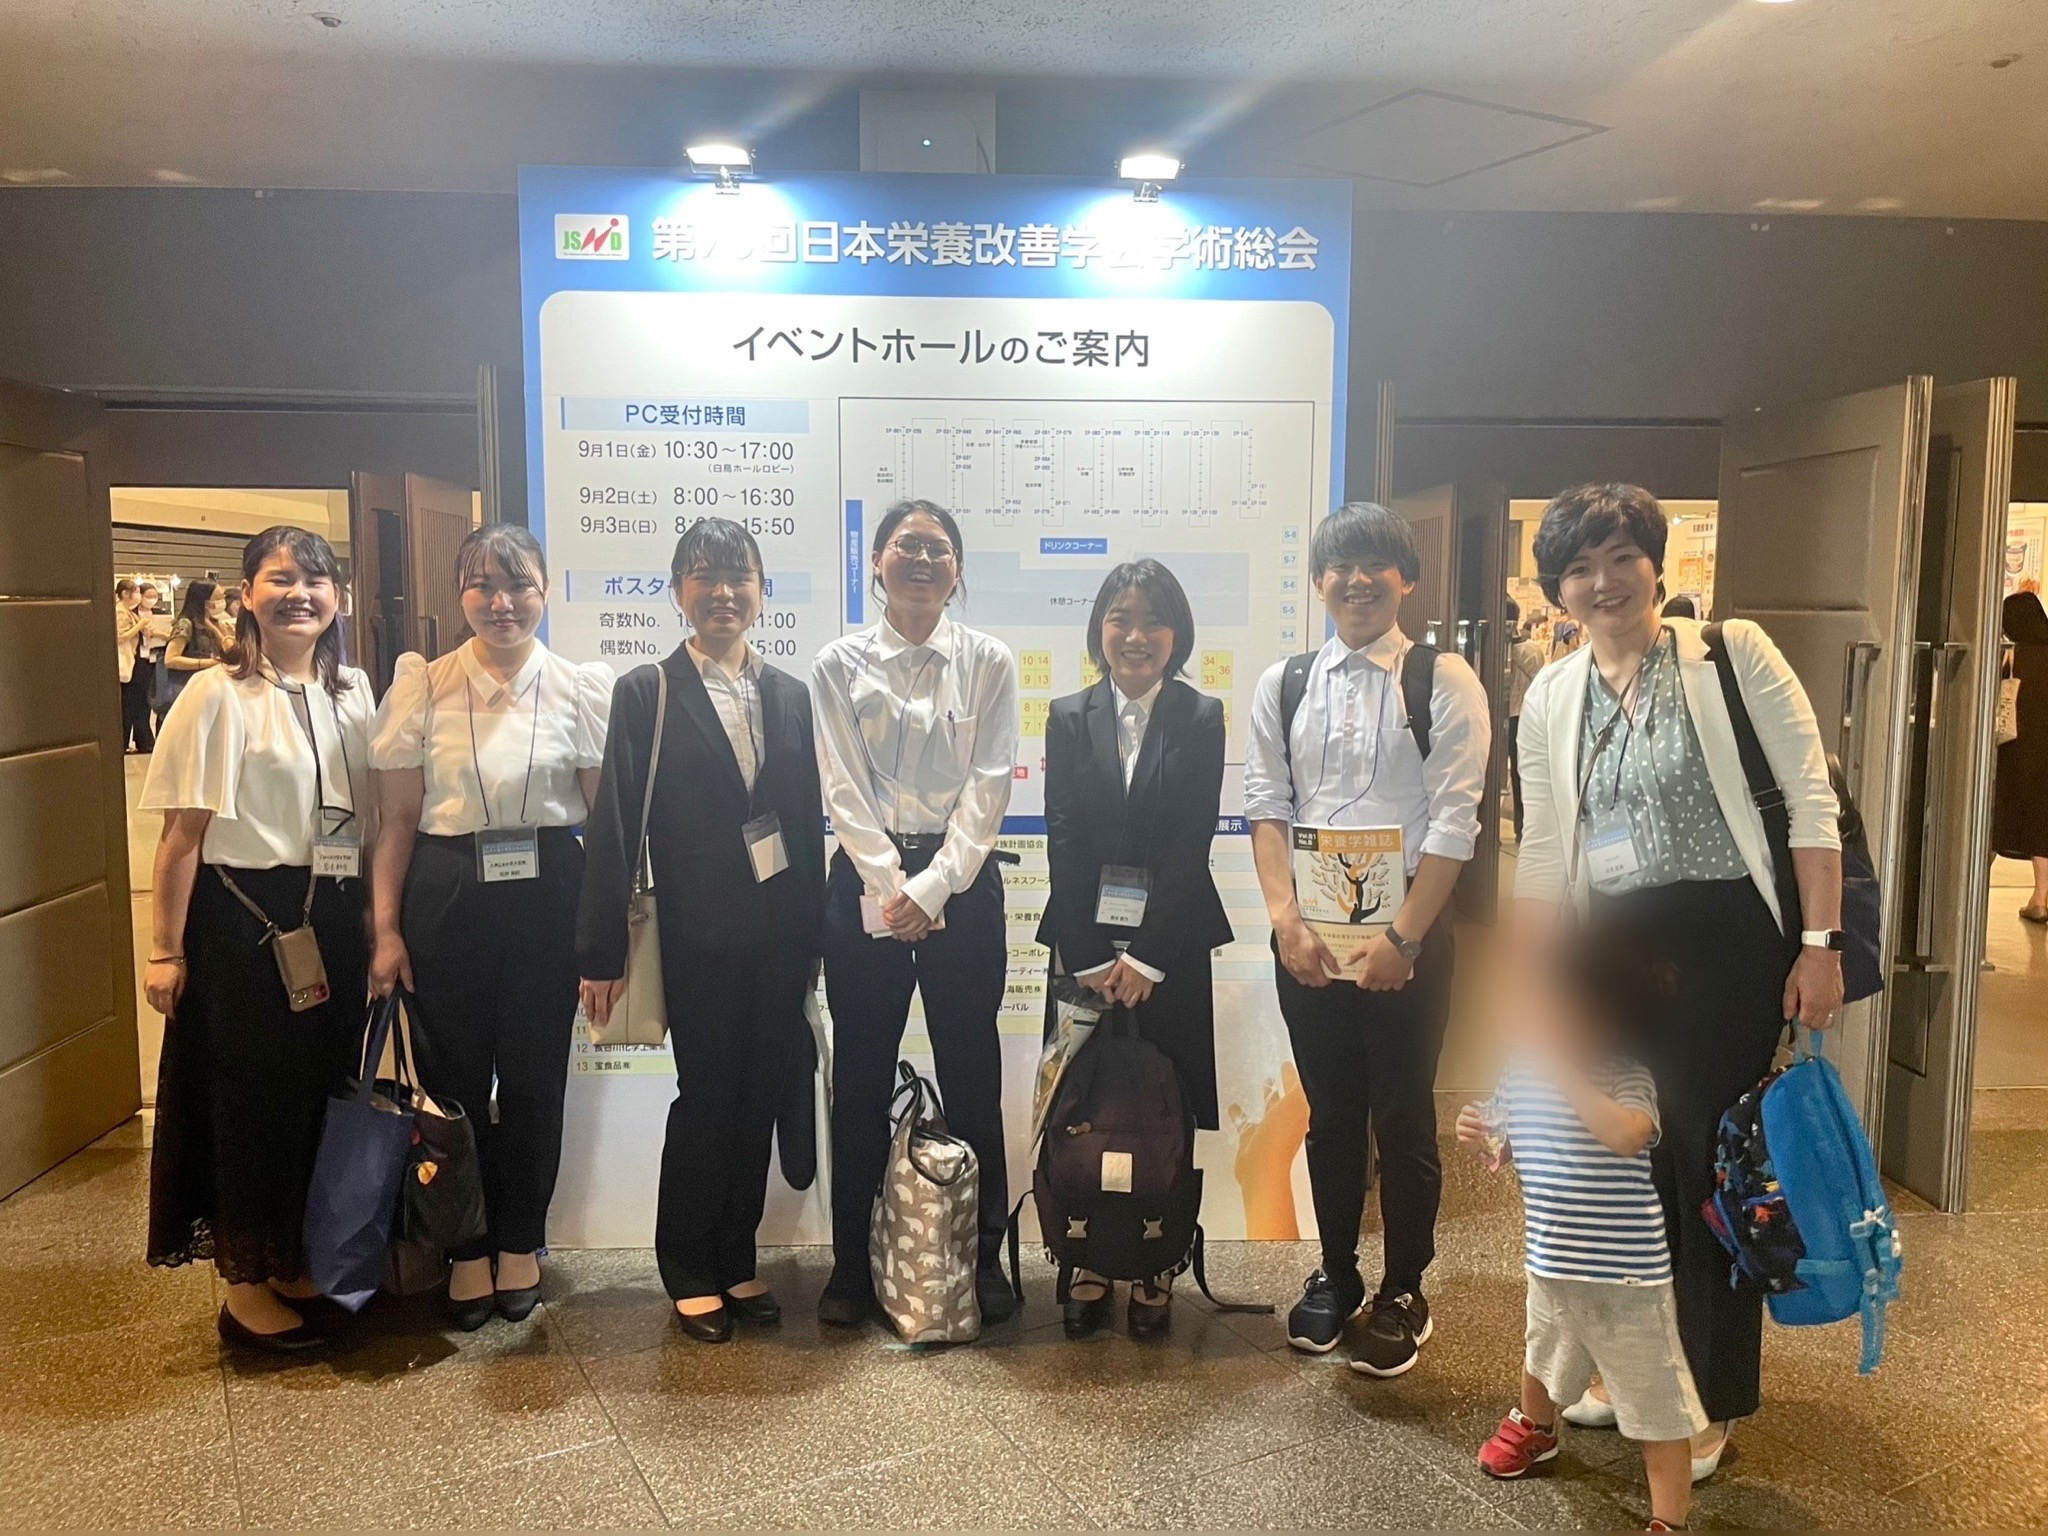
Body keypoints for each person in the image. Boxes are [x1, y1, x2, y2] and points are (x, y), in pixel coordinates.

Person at [1515, 482, 1843, 1481]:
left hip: (1724, 939)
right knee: (1623, 1167)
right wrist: (1535, 981)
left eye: (1622, 556)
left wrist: (1819, 944)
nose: (1603, 582)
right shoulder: (1551, 693)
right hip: (1611, 943)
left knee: (1707, 1167)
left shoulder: (1729, 655)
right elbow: (1543, 847)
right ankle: (1634, 1375)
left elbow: (1809, 802)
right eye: (1579, 567)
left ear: (1656, 564)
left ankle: (1707, 1395)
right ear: (1557, 589)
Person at [1244, 501, 1492, 1377]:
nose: (1356, 580)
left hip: (1407, 940)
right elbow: (1266, 806)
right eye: (1339, 565)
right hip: (1309, 944)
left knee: (1405, 1114)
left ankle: (1406, 1288)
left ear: (1405, 579)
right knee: (1332, 1115)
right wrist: (1285, 923)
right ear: (1319, 580)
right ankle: (1338, 1272)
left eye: (1375, 564)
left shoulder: (1441, 678)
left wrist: (1406, 939)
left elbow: (1455, 823)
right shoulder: (1284, 683)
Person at [578, 519, 825, 1343]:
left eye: (738, 576)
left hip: (780, 937)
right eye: (704, 575)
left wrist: (815, 942)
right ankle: (688, 1266)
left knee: (760, 1095)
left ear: (762, 591)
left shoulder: (790, 693)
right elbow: (615, 823)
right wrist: (601, 950)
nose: (723, 591)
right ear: (678, 590)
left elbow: (805, 821)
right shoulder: (647, 691)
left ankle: (735, 1256)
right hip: (696, 935)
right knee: (707, 1097)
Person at [368, 524, 612, 1330]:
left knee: (537, 1082)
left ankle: (519, 1244)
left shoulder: (579, 687)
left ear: (544, 591)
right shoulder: (423, 684)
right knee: (456, 1083)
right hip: (447, 895)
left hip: (550, 893)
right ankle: (466, 1247)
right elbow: (397, 822)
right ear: (460, 594)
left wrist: (607, 934)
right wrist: (386, 930)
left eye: (519, 585)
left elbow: (605, 823)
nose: (501, 602)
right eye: (483, 585)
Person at [140, 526, 376, 1352]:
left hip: (334, 914)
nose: (298, 594)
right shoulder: (216, 694)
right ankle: (244, 1288)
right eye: (279, 579)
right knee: (247, 1103)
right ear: (247, 595)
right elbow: (182, 835)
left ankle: (291, 1259)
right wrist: (164, 949)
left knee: (317, 1095)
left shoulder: (354, 690)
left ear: (337, 597)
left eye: (315, 580)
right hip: (246, 919)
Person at [812, 498, 1020, 1328]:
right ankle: (851, 1266)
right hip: (866, 885)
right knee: (860, 1076)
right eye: (907, 545)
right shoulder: (837, 663)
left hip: (960, 887)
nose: (923, 560)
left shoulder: (989, 661)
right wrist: (889, 886)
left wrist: (932, 889)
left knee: (973, 1074)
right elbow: (840, 784)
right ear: (876, 561)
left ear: (958, 568)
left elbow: (991, 783)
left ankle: (984, 1259)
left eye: (939, 548)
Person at [1040, 559, 1233, 1338]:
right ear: (1099, 629)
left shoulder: (1201, 715)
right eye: (1120, 617)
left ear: (1176, 634)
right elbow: (1061, 835)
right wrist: (1089, 954)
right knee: (1080, 1102)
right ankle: (1085, 1253)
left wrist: (1148, 956)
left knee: (1165, 1102)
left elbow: (1192, 841)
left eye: (1154, 619)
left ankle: (1158, 1259)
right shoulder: (1067, 714)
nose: (1136, 634)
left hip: (1171, 945)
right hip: (1081, 940)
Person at [1460, 919, 1705, 1532]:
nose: (1551, 1022)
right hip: (1550, 1260)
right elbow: (1506, 1142)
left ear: (1611, 1022)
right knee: (1543, 1354)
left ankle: (1668, 1518)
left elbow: (1628, 1136)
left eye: (1571, 1013)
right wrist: (1483, 1135)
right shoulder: (1521, 1068)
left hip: (1626, 1278)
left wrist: (1565, 1074)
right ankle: (1537, 1428)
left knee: (1655, 1400)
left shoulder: (1626, 1076)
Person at [1994, 589, 2048, 921]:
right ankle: (2041, 896)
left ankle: (1969, 891)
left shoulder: (2012, 656)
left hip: (2016, 750)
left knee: (1996, 820)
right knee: (2043, 821)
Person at [1505, 598, 1546, 844]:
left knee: (1517, 773)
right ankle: (1522, 828)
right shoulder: (1531, 650)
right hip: (1523, 717)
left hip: (1512, 716)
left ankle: (1522, 828)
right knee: (1521, 774)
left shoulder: (1506, 649)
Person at [159, 580, 230, 715]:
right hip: (186, 690)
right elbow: (170, 659)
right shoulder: (185, 624)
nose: (222, 601)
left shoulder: (215, 623)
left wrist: (216, 630)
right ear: (204, 600)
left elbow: (230, 649)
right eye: (217, 597)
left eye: (223, 597)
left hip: (209, 689)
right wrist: (208, 663)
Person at [115, 578, 155, 752]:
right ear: (125, 593)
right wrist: (140, 625)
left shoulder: (128, 611)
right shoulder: (120, 611)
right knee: (128, 704)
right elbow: (120, 636)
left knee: (132, 703)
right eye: (136, 591)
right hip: (127, 659)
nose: (138, 595)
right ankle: (122, 743)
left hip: (134, 658)